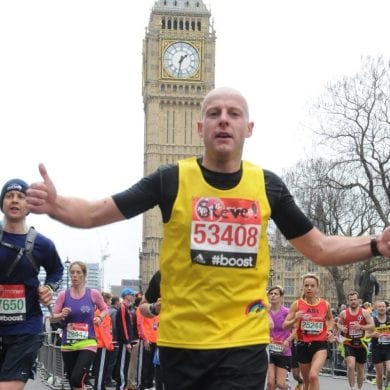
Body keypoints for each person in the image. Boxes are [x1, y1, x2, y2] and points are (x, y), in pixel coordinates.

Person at [26, 87, 390, 390]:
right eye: (214, 113)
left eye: (233, 113)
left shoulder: (267, 186)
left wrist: (377, 244)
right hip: (182, 344)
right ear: (200, 127)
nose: (224, 120)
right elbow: (93, 212)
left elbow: (320, 247)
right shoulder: (170, 179)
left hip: (243, 343)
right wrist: (56, 205)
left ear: (249, 128)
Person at [0, 178, 64, 390]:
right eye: (9, 196)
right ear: (2, 204)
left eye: (21, 197)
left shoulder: (42, 244)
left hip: (26, 327)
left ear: (29, 206)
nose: (15, 200)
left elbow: (56, 270)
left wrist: (49, 288)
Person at [50, 261, 108, 390]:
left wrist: (99, 317)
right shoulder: (63, 295)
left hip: (88, 342)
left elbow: (105, 309)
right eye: (72, 273)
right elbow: (52, 319)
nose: (75, 275)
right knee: (73, 381)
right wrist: (60, 315)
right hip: (68, 343)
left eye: (78, 273)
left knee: (77, 378)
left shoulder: (93, 293)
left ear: (84, 275)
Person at [283, 274, 334, 390]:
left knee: (313, 375)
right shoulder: (297, 304)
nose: (309, 288)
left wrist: (329, 331)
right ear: (303, 287)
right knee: (306, 381)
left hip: (320, 345)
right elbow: (285, 325)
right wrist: (296, 318)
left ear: (317, 288)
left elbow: (330, 319)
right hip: (303, 345)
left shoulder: (325, 304)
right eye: (306, 285)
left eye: (312, 286)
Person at [337, 291, 374, 390]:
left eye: (355, 299)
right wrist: (342, 328)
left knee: (360, 369)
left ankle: (359, 388)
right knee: (350, 365)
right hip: (349, 342)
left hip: (361, 343)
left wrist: (361, 327)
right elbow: (338, 324)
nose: (353, 301)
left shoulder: (364, 312)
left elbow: (372, 325)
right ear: (348, 301)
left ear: (358, 300)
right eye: (351, 300)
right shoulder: (344, 313)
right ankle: (352, 387)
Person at [267, 286, 293, 390]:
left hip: (283, 351)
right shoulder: (265, 311)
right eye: (271, 293)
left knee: (280, 384)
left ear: (281, 297)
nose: (272, 296)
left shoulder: (287, 312)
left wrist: (288, 340)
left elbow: (296, 329)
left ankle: (288, 388)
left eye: (276, 294)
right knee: (270, 382)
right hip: (270, 350)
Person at [114, 288, 138, 390]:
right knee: (123, 364)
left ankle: (123, 385)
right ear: (126, 296)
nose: (133, 296)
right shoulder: (123, 307)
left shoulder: (125, 307)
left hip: (126, 341)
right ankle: (121, 386)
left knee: (125, 364)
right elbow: (124, 325)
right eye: (131, 294)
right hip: (124, 341)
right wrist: (127, 341)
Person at [367, 300, 390, 390]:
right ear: (376, 308)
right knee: (379, 374)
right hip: (377, 348)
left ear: (386, 308)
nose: (382, 308)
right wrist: (374, 334)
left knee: (389, 370)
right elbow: (366, 334)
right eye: (379, 307)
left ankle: (387, 383)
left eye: (383, 306)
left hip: (388, 348)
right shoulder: (373, 320)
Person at [93, 292, 114, 390]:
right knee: (101, 369)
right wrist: (108, 344)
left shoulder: (99, 311)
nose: (111, 302)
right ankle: (99, 387)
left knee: (100, 368)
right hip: (102, 344)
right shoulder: (102, 312)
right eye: (110, 300)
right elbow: (103, 330)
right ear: (106, 300)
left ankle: (99, 386)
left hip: (101, 343)